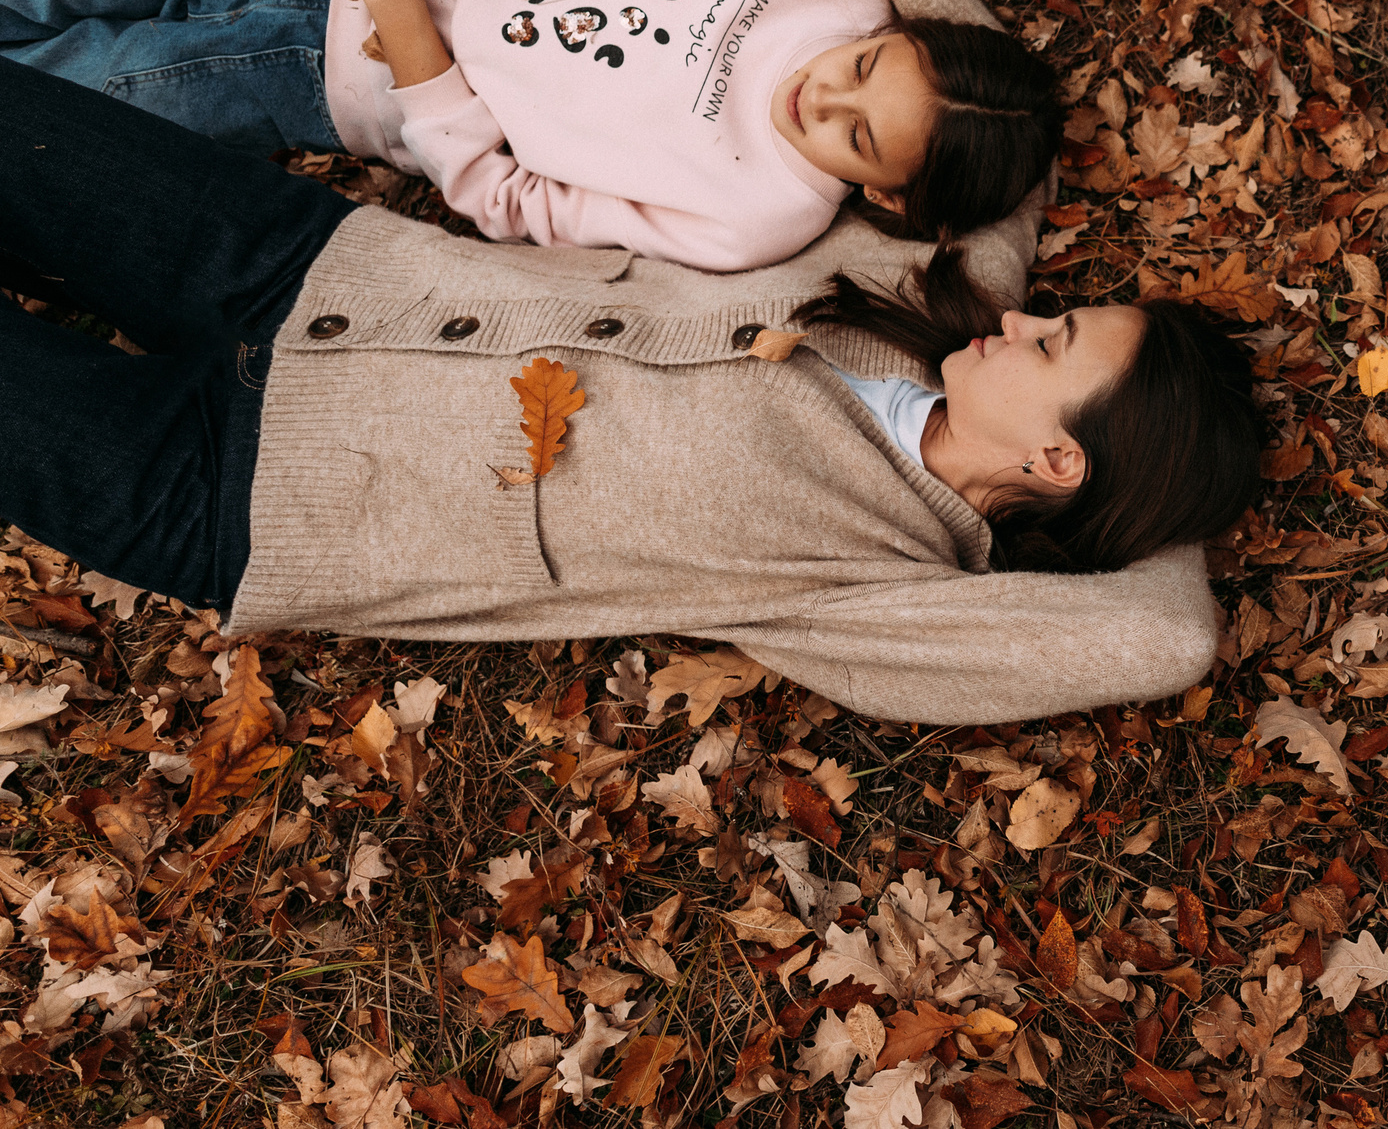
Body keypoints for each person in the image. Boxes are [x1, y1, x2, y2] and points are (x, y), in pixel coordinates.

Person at [0, 58, 1264, 725]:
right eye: (1058, 313)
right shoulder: (928, 303)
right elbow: (1006, 121)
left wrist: (1166, 488)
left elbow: (1165, 640)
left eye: (1056, 350)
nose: (1032, 317)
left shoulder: (882, 590)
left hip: (244, 500)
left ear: (1058, 466)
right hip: (303, 265)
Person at [0, 0, 1063, 271]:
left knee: (60, 105)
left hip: (317, 68)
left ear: (881, 203)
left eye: (856, 138)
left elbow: (507, 199)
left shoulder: (755, 217)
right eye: (866, 69)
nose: (821, 94)